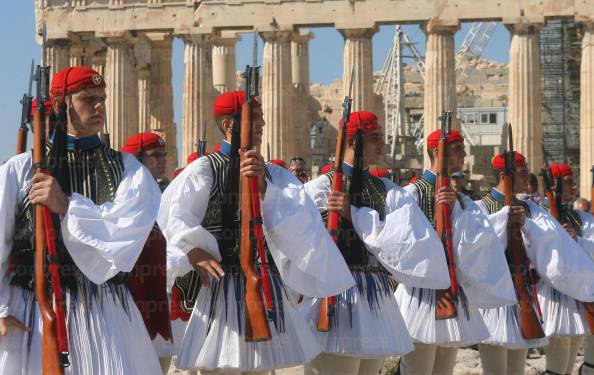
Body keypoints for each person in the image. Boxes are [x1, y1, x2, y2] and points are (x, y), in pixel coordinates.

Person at [158, 90, 355, 374]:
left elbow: (303, 224)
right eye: (256, 118)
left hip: (263, 285)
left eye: (262, 118)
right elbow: (173, 220)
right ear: (229, 125)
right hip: (220, 288)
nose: (262, 124)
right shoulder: (204, 170)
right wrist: (193, 250)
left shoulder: (277, 176)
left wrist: (264, 187)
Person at [0, 66, 162, 374]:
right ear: (61, 105)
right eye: (88, 99)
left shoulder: (127, 168)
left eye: (102, 98)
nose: (100, 106)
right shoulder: (18, 170)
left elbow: (124, 234)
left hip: (104, 310)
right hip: (34, 311)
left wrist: (66, 206)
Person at [302, 111, 450, 375]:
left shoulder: (388, 190)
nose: (381, 143)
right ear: (351, 143)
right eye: (374, 138)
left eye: (380, 137)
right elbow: (300, 242)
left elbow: (407, 239)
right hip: (337, 295)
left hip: (374, 295)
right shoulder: (319, 188)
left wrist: (355, 215)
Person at [395, 129, 516, 375]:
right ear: (438, 152)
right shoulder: (411, 194)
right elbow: (401, 245)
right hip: (421, 294)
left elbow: (480, 241)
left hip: (452, 293)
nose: (464, 153)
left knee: (443, 370)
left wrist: (455, 212)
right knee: (418, 369)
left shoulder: (462, 201)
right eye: (458, 148)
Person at [476, 153, 594, 375]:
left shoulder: (530, 209)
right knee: (495, 369)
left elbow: (551, 239)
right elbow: (477, 245)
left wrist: (527, 225)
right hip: (494, 294)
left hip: (522, 294)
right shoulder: (479, 207)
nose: (527, 178)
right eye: (521, 173)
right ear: (504, 175)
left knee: (517, 369)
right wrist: (505, 220)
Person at [121, 132, 175, 374]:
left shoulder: (162, 195)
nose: (162, 160)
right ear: (138, 159)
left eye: (163, 154)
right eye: (156, 156)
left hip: (157, 298)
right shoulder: (124, 197)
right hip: (131, 301)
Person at [541, 163, 594, 375]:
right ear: (556, 185)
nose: (574, 187)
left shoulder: (579, 217)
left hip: (577, 296)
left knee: (570, 362)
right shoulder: (540, 214)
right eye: (570, 182)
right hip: (554, 295)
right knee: (557, 366)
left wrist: (576, 239)